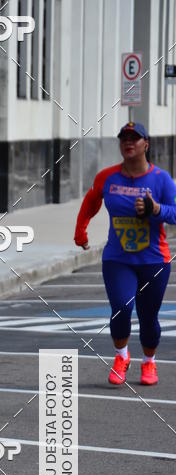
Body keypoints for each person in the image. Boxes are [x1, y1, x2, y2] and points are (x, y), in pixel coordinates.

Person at [74, 121, 176, 386]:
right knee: (121, 308)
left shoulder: (161, 179)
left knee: (148, 316)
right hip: (118, 259)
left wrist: (156, 210)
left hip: (154, 260)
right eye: (124, 138)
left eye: (134, 138)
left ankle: (149, 362)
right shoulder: (108, 177)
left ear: (146, 144)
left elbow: (175, 213)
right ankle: (121, 356)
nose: (128, 143)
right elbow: (91, 201)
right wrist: (80, 231)